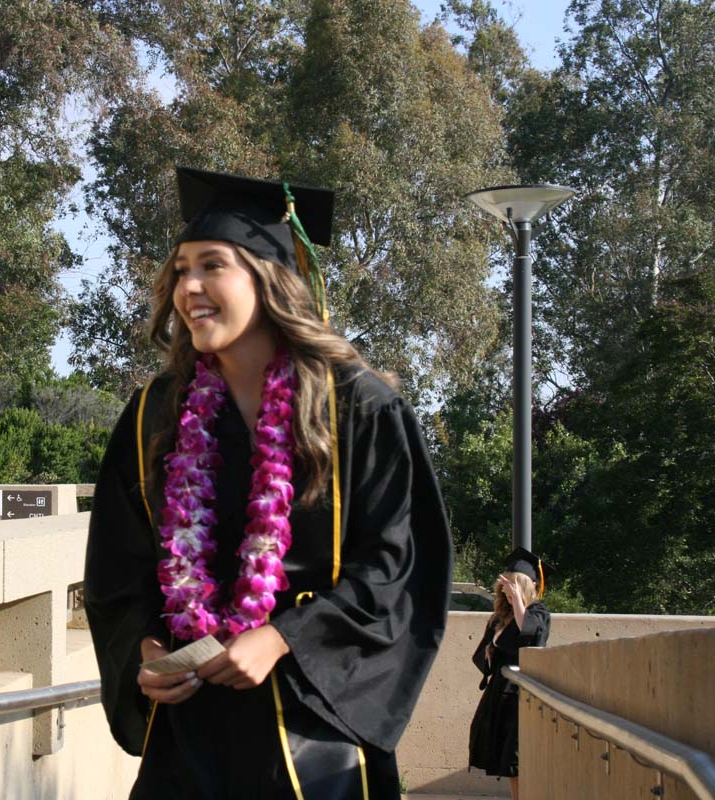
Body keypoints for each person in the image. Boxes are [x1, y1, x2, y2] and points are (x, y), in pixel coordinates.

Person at [83, 165, 454, 799]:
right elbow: (118, 569)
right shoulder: (156, 415)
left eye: (212, 265)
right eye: (180, 270)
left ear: (268, 277)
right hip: (190, 735)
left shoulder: (360, 409)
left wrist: (284, 637)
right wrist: (144, 648)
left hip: (316, 734)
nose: (189, 287)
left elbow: (398, 566)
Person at [468, 547, 551, 799]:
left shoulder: (539, 614)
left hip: (521, 695)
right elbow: (484, 653)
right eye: (505, 583)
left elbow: (530, 636)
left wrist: (518, 604)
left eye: (514, 583)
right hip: (500, 694)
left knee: (519, 759)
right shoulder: (498, 618)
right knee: (508, 761)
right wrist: (489, 654)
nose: (506, 588)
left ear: (526, 585)